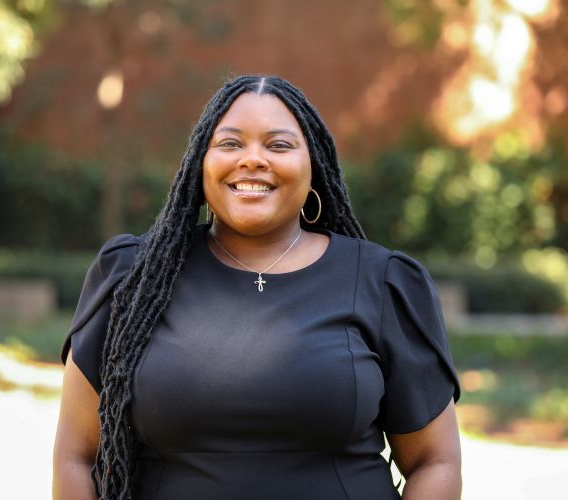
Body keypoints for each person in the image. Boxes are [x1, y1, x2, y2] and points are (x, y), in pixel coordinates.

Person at [53, 75, 462, 500]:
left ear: (313, 166)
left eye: (279, 145)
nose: (252, 159)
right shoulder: (132, 279)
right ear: (200, 164)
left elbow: (435, 461)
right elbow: (76, 456)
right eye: (230, 143)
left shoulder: (383, 282)